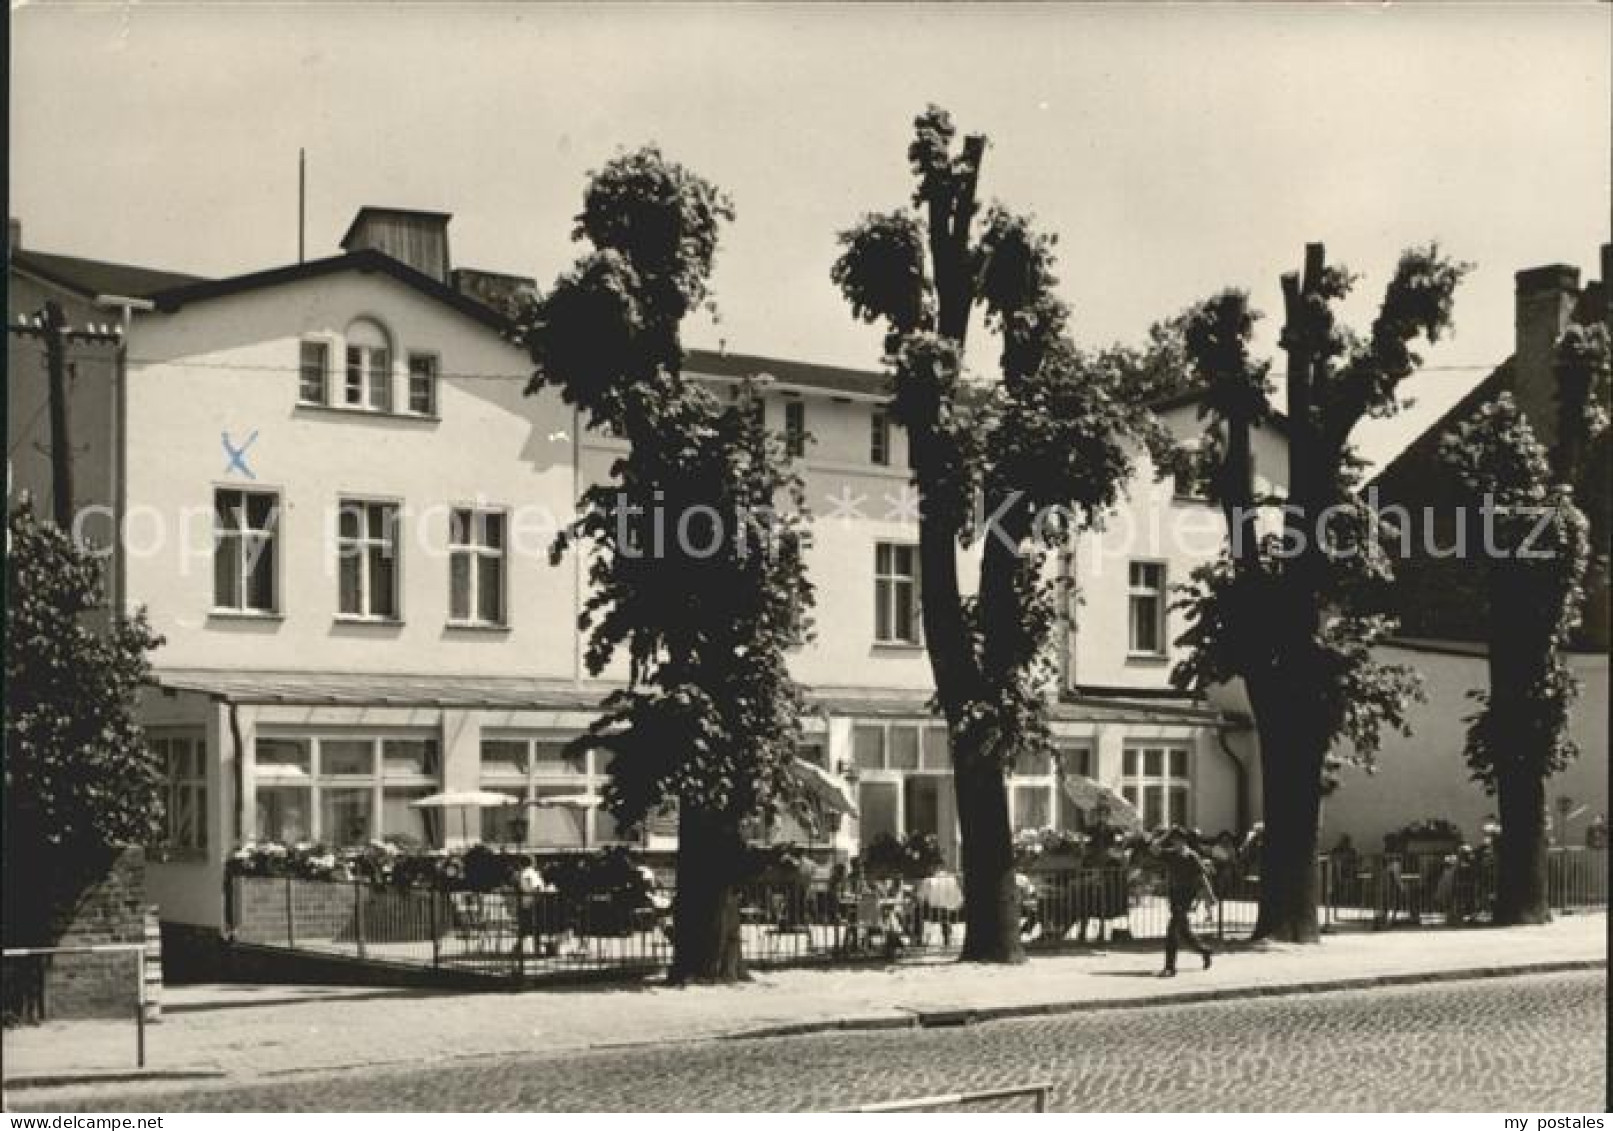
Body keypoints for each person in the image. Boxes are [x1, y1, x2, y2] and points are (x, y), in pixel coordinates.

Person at [1157, 828, 1216, 977]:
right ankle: (1205, 950)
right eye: (1173, 840)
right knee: (1184, 932)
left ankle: (1170, 967)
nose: (1175, 842)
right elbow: (1153, 849)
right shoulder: (1171, 854)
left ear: (1184, 841)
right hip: (1174, 894)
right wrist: (1166, 835)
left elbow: (1201, 877)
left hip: (1186, 895)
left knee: (1172, 930)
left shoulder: (1191, 856)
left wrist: (1210, 895)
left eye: (1178, 840)